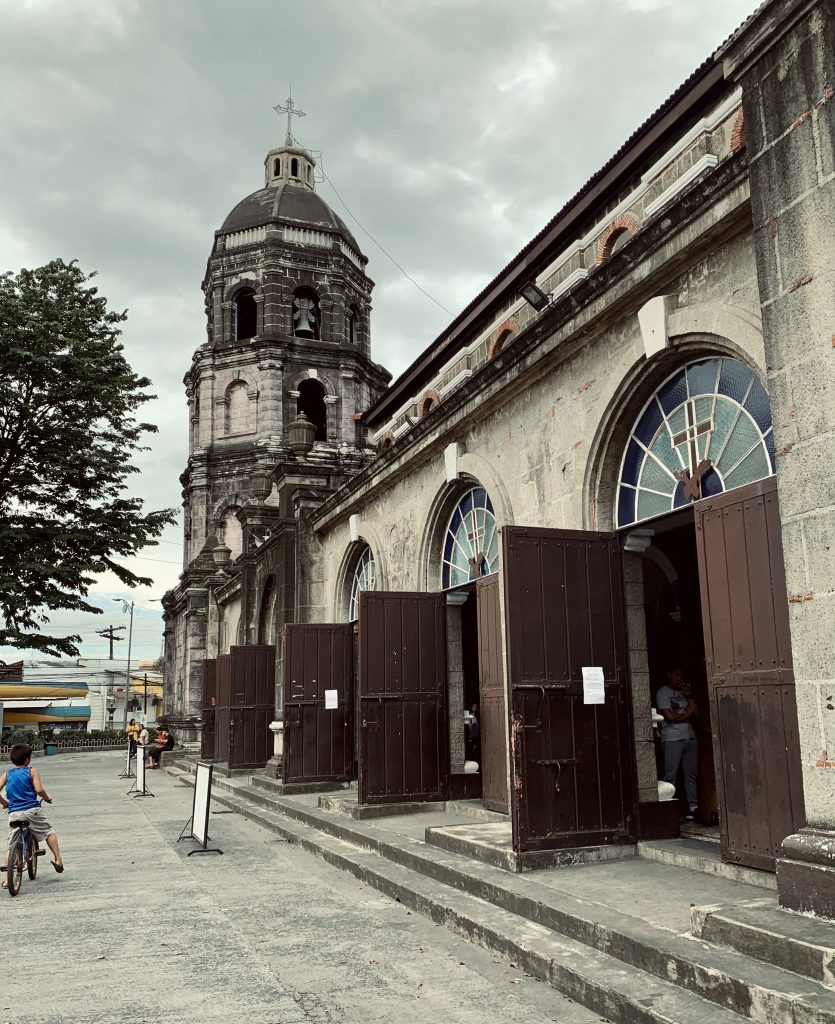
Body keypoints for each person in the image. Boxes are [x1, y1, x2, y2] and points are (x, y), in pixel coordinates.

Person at [0, 743, 64, 884]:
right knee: (48, 831)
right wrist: (47, 798)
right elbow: (39, 790)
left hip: (14, 813)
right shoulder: (31, 771)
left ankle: (7, 880)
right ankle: (58, 860)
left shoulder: (7, 774)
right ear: (27, 759)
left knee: (11, 845)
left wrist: (5, 803)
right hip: (32, 811)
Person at [656, 668, 699, 821]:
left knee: (691, 774)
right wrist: (686, 714)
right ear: (669, 675)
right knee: (671, 774)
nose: (679, 679)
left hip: (689, 737)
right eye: (676, 675)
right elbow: (668, 716)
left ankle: (693, 807)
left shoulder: (684, 692)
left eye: (681, 676)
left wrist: (689, 695)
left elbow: (696, 713)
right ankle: (669, 809)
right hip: (672, 738)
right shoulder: (663, 692)